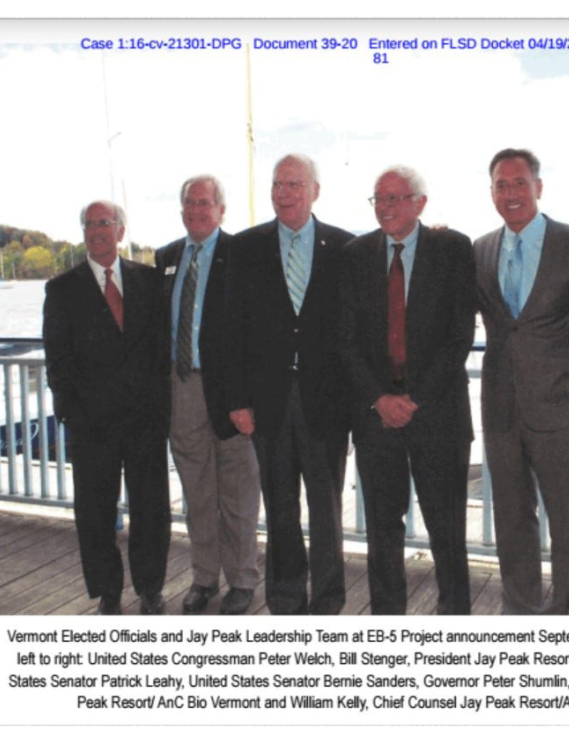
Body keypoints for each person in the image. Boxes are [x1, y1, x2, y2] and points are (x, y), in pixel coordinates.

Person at [340, 166, 475, 615]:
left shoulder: (453, 248)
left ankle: (454, 618)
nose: (385, 207)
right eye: (378, 198)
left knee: (447, 528)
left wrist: (414, 400)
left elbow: (459, 335)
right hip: (376, 416)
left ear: (421, 203)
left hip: (437, 414)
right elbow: (347, 338)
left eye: (396, 198)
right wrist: (379, 399)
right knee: (382, 529)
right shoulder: (356, 254)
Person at [223, 155, 354, 615]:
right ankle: (285, 597)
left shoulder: (345, 247)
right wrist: (236, 401)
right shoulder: (245, 247)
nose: (285, 192)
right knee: (279, 508)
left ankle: (328, 598)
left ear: (315, 190)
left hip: (327, 403)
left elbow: (355, 331)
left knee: (326, 512)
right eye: (278, 184)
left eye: (295, 184)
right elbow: (230, 331)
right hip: (268, 403)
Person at [474, 148, 569, 614]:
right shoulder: (480, 248)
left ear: (538, 187)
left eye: (519, 183)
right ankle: (520, 610)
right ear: (491, 193)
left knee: (568, 525)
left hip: (563, 409)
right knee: (511, 520)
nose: (511, 193)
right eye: (501, 185)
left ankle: (566, 617)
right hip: (502, 409)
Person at [43, 200, 170, 615]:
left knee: (151, 508)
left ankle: (150, 587)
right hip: (91, 423)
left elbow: (160, 350)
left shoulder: (148, 281)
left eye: (104, 223)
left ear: (120, 230)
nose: (96, 230)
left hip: (144, 421)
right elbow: (57, 359)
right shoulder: (61, 289)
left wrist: (160, 408)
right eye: (89, 224)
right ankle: (107, 591)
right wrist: (69, 411)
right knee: (95, 512)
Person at [156, 175, 261, 615]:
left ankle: (242, 580)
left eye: (204, 203)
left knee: (237, 492)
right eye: (189, 203)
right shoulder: (166, 257)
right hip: (182, 388)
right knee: (196, 491)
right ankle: (204, 577)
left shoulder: (243, 254)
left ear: (221, 209)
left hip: (231, 394)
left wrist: (248, 398)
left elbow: (257, 334)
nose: (195, 210)